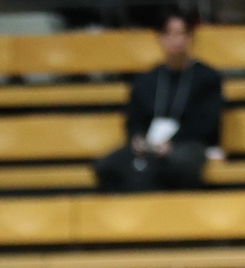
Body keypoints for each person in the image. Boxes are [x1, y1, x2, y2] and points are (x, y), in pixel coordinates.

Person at [93, 8, 222, 194]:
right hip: (150, 144)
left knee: (178, 161)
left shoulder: (207, 77)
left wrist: (171, 144)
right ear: (160, 38)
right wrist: (138, 139)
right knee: (106, 165)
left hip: (187, 144)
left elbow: (205, 123)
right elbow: (134, 119)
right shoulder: (146, 80)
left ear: (190, 38)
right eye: (169, 34)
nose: (175, 40)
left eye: (181, 34)